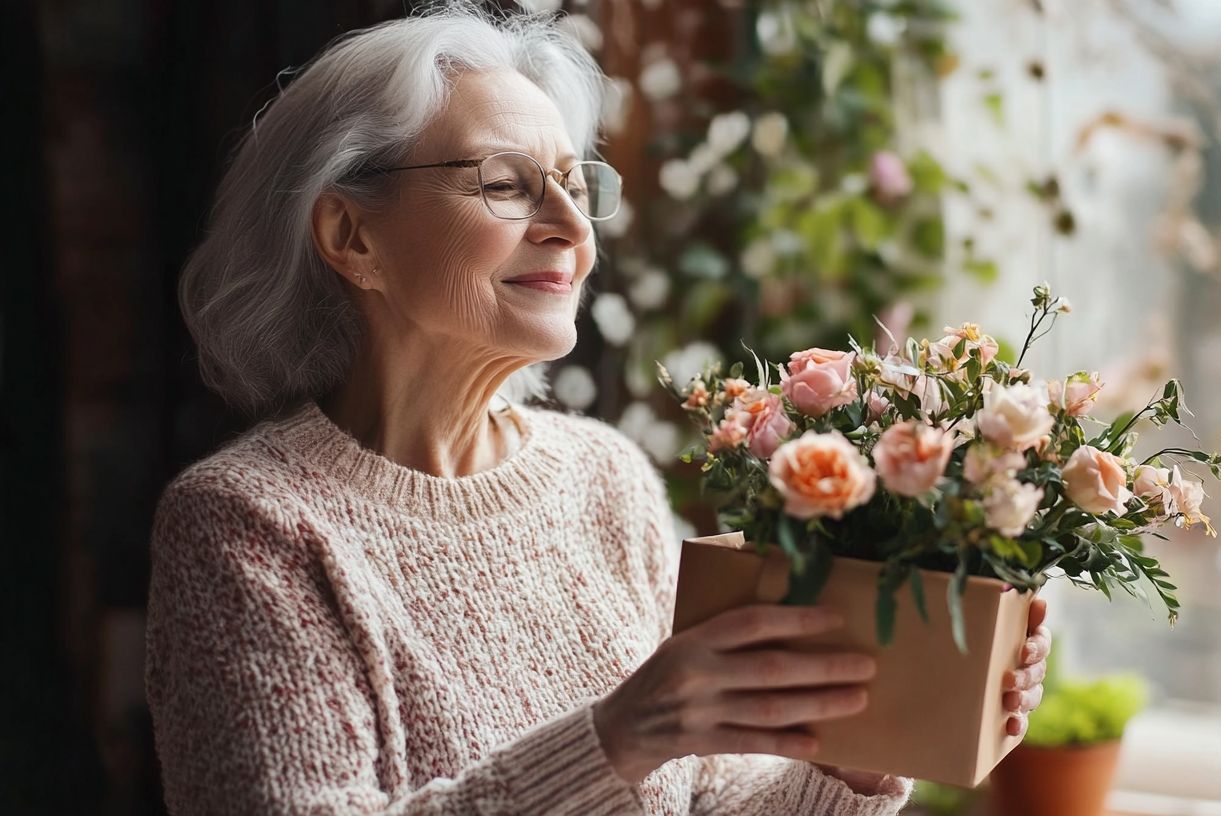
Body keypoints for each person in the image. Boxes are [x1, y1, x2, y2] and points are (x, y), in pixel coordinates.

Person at [145, 5, 1051, 815]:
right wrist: (618, 738)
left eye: (575, 187)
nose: (574, 231)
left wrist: (864, 756)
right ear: (352, 236)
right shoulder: (248, 526)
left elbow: (712, 797)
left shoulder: (603, 477)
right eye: (507, 184)